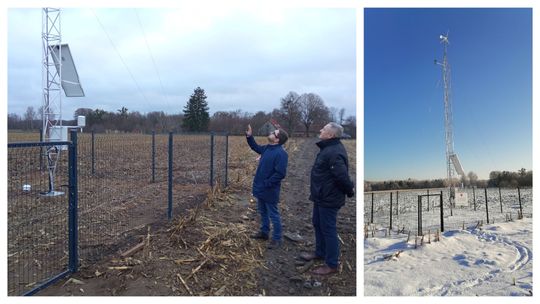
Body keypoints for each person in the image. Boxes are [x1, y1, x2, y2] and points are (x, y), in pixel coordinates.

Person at [301, 122, 354, 275]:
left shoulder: (334, 152)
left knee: (328, 229)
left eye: (323, 129)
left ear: (330, 135)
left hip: (329, 198)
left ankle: (332, 264)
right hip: (321, 196)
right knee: (318, 224)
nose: (320, 130)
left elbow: (342, 176)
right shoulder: (328, 148)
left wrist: (349, 190)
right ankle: (320, 252)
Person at [245, 124, 289, 249]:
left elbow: (280, 174)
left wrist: (267, 184)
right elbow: (255, 147)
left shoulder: (281, 154)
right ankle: (264, 232)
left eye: (273, 133)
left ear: (277, 139)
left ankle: (277, 238)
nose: (270, 133)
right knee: (262, 211)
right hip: (260, 187)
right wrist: (249, 136)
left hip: (269, 190)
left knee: (273, 214)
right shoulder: (267, 148)